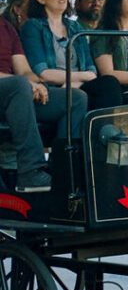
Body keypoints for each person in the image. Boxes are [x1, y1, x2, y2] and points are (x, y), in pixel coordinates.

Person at [0, 12, 87, 192]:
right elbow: (19, 80)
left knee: (75, 98)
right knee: (19, 84)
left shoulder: (6, 27)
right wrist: (25, 83)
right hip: (12, 90)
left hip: (16, 96)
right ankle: (31, 172)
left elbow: (23, 69)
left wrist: (37, 83)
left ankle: (64, 171)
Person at [19, 0, 122, 110]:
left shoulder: (74, 27)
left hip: (77, 85)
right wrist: (78, 78)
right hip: (52, 89)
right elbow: (43, 73)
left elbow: (91, 70)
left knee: (110, 83)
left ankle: (108, 129)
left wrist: (75, 82)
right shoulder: (33, 26)